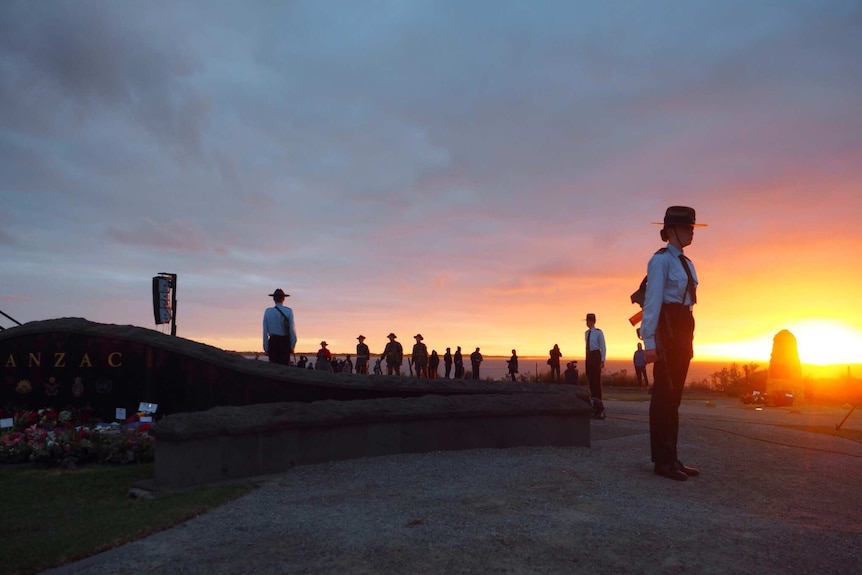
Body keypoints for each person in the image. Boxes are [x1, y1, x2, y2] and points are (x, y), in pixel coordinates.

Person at [642, 206, 706, 482]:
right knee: (664, 397)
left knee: (674, 398)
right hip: (667, 327)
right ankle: (662, 461)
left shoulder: (686, 262)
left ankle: (672, 457)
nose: (692, 231)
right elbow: (652, 301)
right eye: (688, 227)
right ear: (672, 231)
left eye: (692, 227)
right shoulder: (661, 261)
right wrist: (650, 342)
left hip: (683, 326)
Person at [262, 288, 297, 366]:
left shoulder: (268, 312)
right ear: (283, 299)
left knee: (273, 367)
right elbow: (292, 330)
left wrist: (266, 348)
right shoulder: (288, 311)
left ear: (274, 299)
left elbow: (265, 332)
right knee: (284, 368)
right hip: (284, 342)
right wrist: (292, 346)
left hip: (273, 342)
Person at [585, 313, 606, 419]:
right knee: (590, 380)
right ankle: (593, 403)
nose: (588, 322)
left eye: (590, 320)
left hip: (595, 355)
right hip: (588, 356)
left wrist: (602, 360)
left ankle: (599, 406)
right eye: (587, 320)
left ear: (593, 321)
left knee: (596, 381)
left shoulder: (598, 333)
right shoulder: (586, 333)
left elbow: (603, 347)